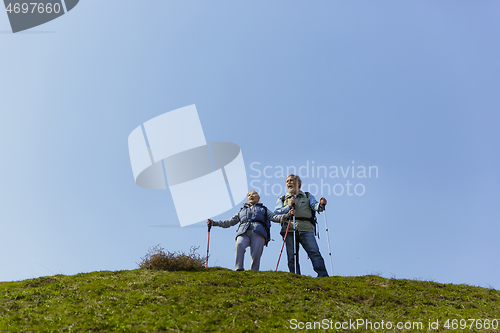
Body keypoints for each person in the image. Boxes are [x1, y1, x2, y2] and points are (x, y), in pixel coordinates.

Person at [207, 190, 294, 271]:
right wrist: (214, 223)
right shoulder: (242, 210)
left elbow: (275, 217)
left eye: (253, 194)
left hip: (259, 232)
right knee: (239, 245)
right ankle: (239, 269)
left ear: (258, 197)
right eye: (248, 195)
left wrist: (287, 215)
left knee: (256, 253)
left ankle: (254, 271)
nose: (250, 196)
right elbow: (230, 221)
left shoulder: (264, 209)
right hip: (243, 231)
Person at [274, 174, 329, 277]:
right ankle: (296, 277)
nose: (289, 182)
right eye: (287, 181)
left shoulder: (307, 196)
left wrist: (321, 204)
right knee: (292, 256)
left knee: (314, 252)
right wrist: (288, 207)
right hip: (289, 228)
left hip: (306, 228)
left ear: (298, 183)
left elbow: (316, 207)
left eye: (291, 180)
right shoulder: (282, 199)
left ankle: (323, 275)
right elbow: (276, 213)